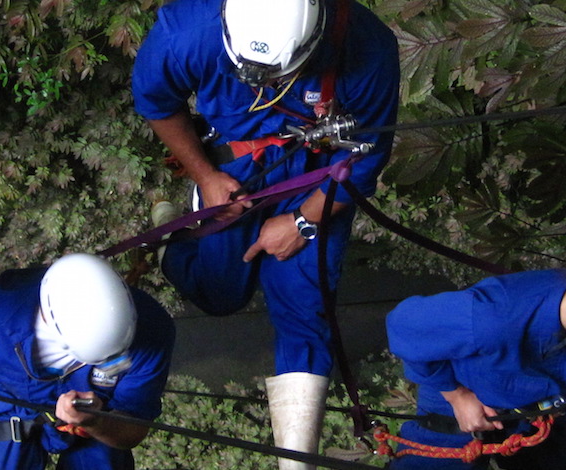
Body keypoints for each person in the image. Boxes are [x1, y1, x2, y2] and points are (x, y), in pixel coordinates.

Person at [132, 0, 398, 465]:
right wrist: (205, 176)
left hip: (318, 177)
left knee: (306, 313)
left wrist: (303, 221)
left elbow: (367, 158)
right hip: (234, 165)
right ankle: (171, 246)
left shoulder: (366, 47)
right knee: (220, 295)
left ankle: (295, 461)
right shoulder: (190, 30)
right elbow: (156, 102)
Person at [385, 211, 566, 469]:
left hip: (539, 416)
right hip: (459, 398)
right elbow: (403, 326)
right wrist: (456, 396)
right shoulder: (494, 315)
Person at [0, 253, 175, 470]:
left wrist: (96, 422)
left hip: (98, 407)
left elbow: (133, 426)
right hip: (11, 400)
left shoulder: (151, 331)